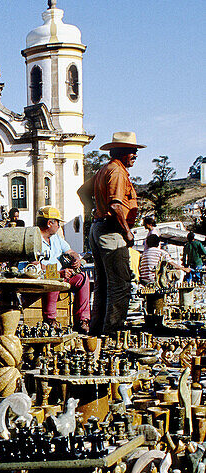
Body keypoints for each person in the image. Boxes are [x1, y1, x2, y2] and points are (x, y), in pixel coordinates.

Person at [89, 130, 144, 335]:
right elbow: (115, 206)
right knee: (120, 285)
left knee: (103, 284)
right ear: (121, 152)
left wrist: (96, 212)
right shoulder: (118, 172)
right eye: (132, 151)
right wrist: (127, 232)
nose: (135, 156)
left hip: (98, 228)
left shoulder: (104, 170)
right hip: (111, 231)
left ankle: (96, 332)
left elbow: (83, 192)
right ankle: (113, 334)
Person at [36, 206, 91, 333]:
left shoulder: (56, 238)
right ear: (50, 223)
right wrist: (57, 273)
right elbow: (35, 264)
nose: (59, 226)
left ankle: (82, 320)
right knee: (54, 280)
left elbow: (71, 251)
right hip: (44, 278)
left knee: (82, 278)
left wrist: (75, 259)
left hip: (62, 274)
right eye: (58, 223)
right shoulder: (34, 239)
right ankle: (50, 319)